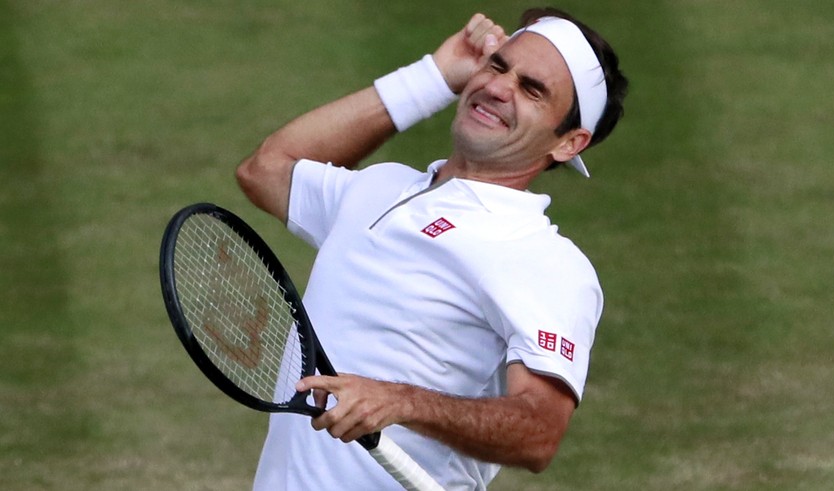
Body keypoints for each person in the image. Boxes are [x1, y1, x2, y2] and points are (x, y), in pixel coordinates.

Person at [236, 7, 628, 490]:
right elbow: (266, 170)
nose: (499, 88)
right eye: (498, 66)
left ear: (570, 143)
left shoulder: (542, 259)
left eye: (532, 90)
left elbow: (539, 433)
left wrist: (403, 402)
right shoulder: (380, 188)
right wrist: (434, 76)